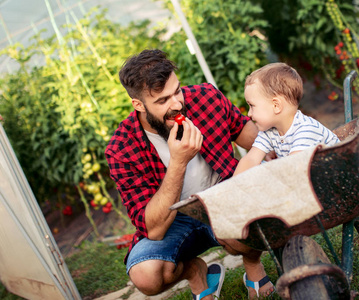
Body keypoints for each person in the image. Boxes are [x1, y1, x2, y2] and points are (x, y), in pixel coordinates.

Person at [105, 49, 275, 299]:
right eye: (163, 100)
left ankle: (252, 267)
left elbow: (250, 136)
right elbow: (153, 229)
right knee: (146, 275)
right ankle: (195, 272)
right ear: (138, 105)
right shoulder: (121, 149)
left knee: (245, 228)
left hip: (222, 197)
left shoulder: (206, 98)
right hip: (174, 220)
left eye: (177, 91)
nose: (176, 104)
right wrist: (178, 163)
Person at [234, 63, 340, 176]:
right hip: (308, 178)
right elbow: (251, 159)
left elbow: (291, 169)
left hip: (331, 177)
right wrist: (232, 187)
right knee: (259, 167)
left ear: (276, 106)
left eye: (252, 106)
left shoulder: (305, 130)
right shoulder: (269, 132)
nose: (249, 114)